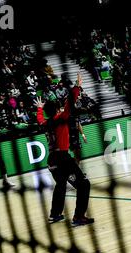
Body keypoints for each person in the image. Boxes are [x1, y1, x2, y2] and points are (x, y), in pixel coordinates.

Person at [35, 88, 94, 227]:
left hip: (52, 161)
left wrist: (39, 108)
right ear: (57, 110)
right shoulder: (60, 118)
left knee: (61, 185)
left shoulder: (45, 123)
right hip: (63, 158)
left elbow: (40, 119)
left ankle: (55, 214)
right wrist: (76, 88)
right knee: (84, 184)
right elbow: (69, 104)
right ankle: (79, 217)